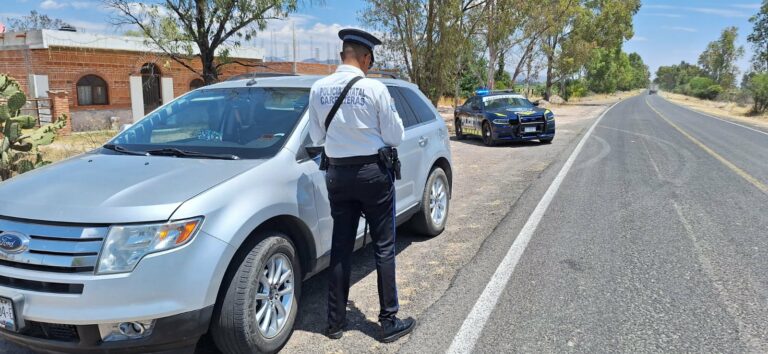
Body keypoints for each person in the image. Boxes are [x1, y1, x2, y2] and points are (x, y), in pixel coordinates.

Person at [308, 28, 415, 343]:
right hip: (372, 173)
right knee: (383, 246)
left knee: (341, 247)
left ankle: (334, 323)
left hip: (337, 174)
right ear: (365, 57)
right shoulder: (374, 88)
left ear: (342, 55)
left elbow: (317, 138)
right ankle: (388, 322)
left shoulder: (318, 88)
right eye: (370, 60)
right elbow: (395, 136)